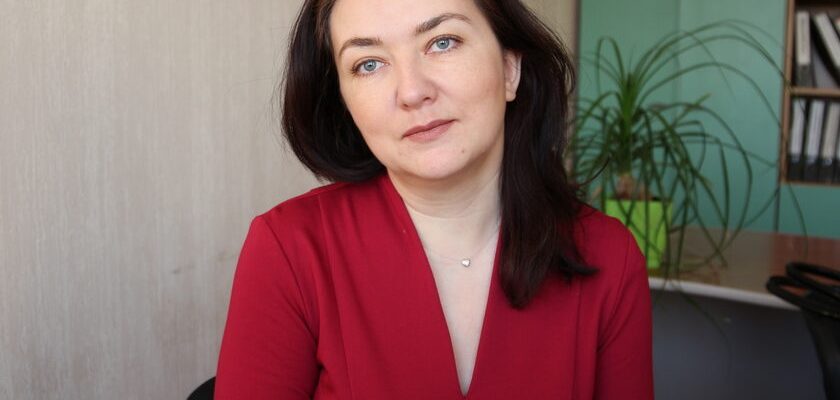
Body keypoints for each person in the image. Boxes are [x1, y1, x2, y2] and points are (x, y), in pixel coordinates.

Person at [215, 0, 653, 398]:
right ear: (344, 102)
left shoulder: (609, 256)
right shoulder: (289, 249)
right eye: (368, 64)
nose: (412, 91)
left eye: (443, 42)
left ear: (509, 68)